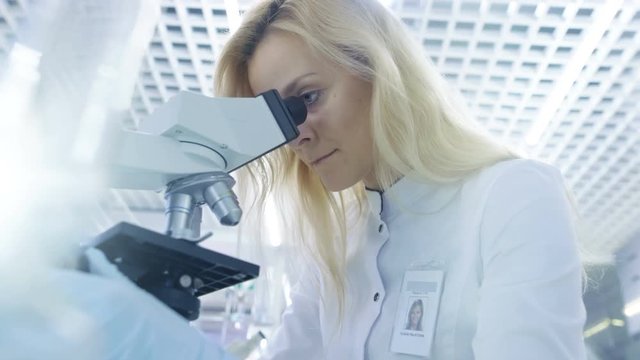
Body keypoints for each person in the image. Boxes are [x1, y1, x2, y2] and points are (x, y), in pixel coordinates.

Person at [214, 0, 586, 359]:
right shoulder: (335, 245)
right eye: (279, 119)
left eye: (308, 98)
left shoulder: (513, 196)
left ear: (380, 69)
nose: (297, 137)